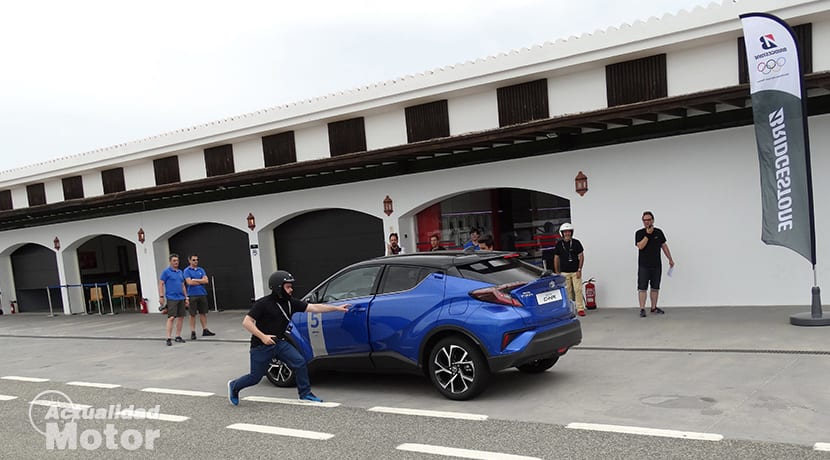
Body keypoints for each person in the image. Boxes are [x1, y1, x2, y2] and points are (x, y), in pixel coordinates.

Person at [227, 270, 350, 405]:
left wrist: (336, 308)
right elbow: (247, 322)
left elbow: (314, 307)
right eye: (288, 287)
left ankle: (305, 394)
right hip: (261, 346)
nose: (291, 290)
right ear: (278, 287)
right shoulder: (263, 303)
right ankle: (234, 386)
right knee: (254, 378)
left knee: (299, 362)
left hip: (279, 343)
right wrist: (263, 337)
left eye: (291, 286)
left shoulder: (291, 303)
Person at [635, 211, 675, 318]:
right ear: (642, 221)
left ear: (653, 220)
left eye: (649, 220)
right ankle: (642, 308)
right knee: (642, 287)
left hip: (656, 265)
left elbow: (664, 246)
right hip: (644, 265)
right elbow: (640, 246)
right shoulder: (639, 233)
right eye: (645, 220)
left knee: (655, 287)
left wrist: (670, 259)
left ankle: (654, 307)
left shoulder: (659, 232)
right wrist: (648, 235)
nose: (647, 222)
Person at [553, 223, 586, 317]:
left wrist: (579, 269)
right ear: (562, 233)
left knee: (578, 290)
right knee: (567, 292)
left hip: (575, 271)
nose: (567, 234)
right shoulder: (559, 244)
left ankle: (580, 309)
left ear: (571, 232)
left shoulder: (576, 243)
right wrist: (557, 272)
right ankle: (570, 309)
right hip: (564, 272)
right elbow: (556, 258)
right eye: (565, 232)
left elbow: (581, 256)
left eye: (569, 232)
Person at [183, 254, 216, 340]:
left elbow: (206, 280)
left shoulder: (201, 270)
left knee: (203, 312)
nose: (195, 261)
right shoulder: (187, 271)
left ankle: (205, 329)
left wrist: (195, 280)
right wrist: (200, 281)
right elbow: (189, 282)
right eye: (193, 260)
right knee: (192, 314)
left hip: (202, 293)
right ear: (189, 260)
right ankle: (193, 332)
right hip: (192, 295)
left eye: (197, 260)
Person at [160, 253, 189, 346]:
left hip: (181, 297)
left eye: (177, 261)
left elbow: (182, 285)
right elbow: (161, 284)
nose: (176, 262)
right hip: (172, 297)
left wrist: (186, 297)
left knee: (181, 317)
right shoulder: (166, 272)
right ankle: (168, 338)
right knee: (171, 317)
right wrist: (161, 297)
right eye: (174, 261)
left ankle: (178, 336)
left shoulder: (180, 272)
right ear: (170, 261)